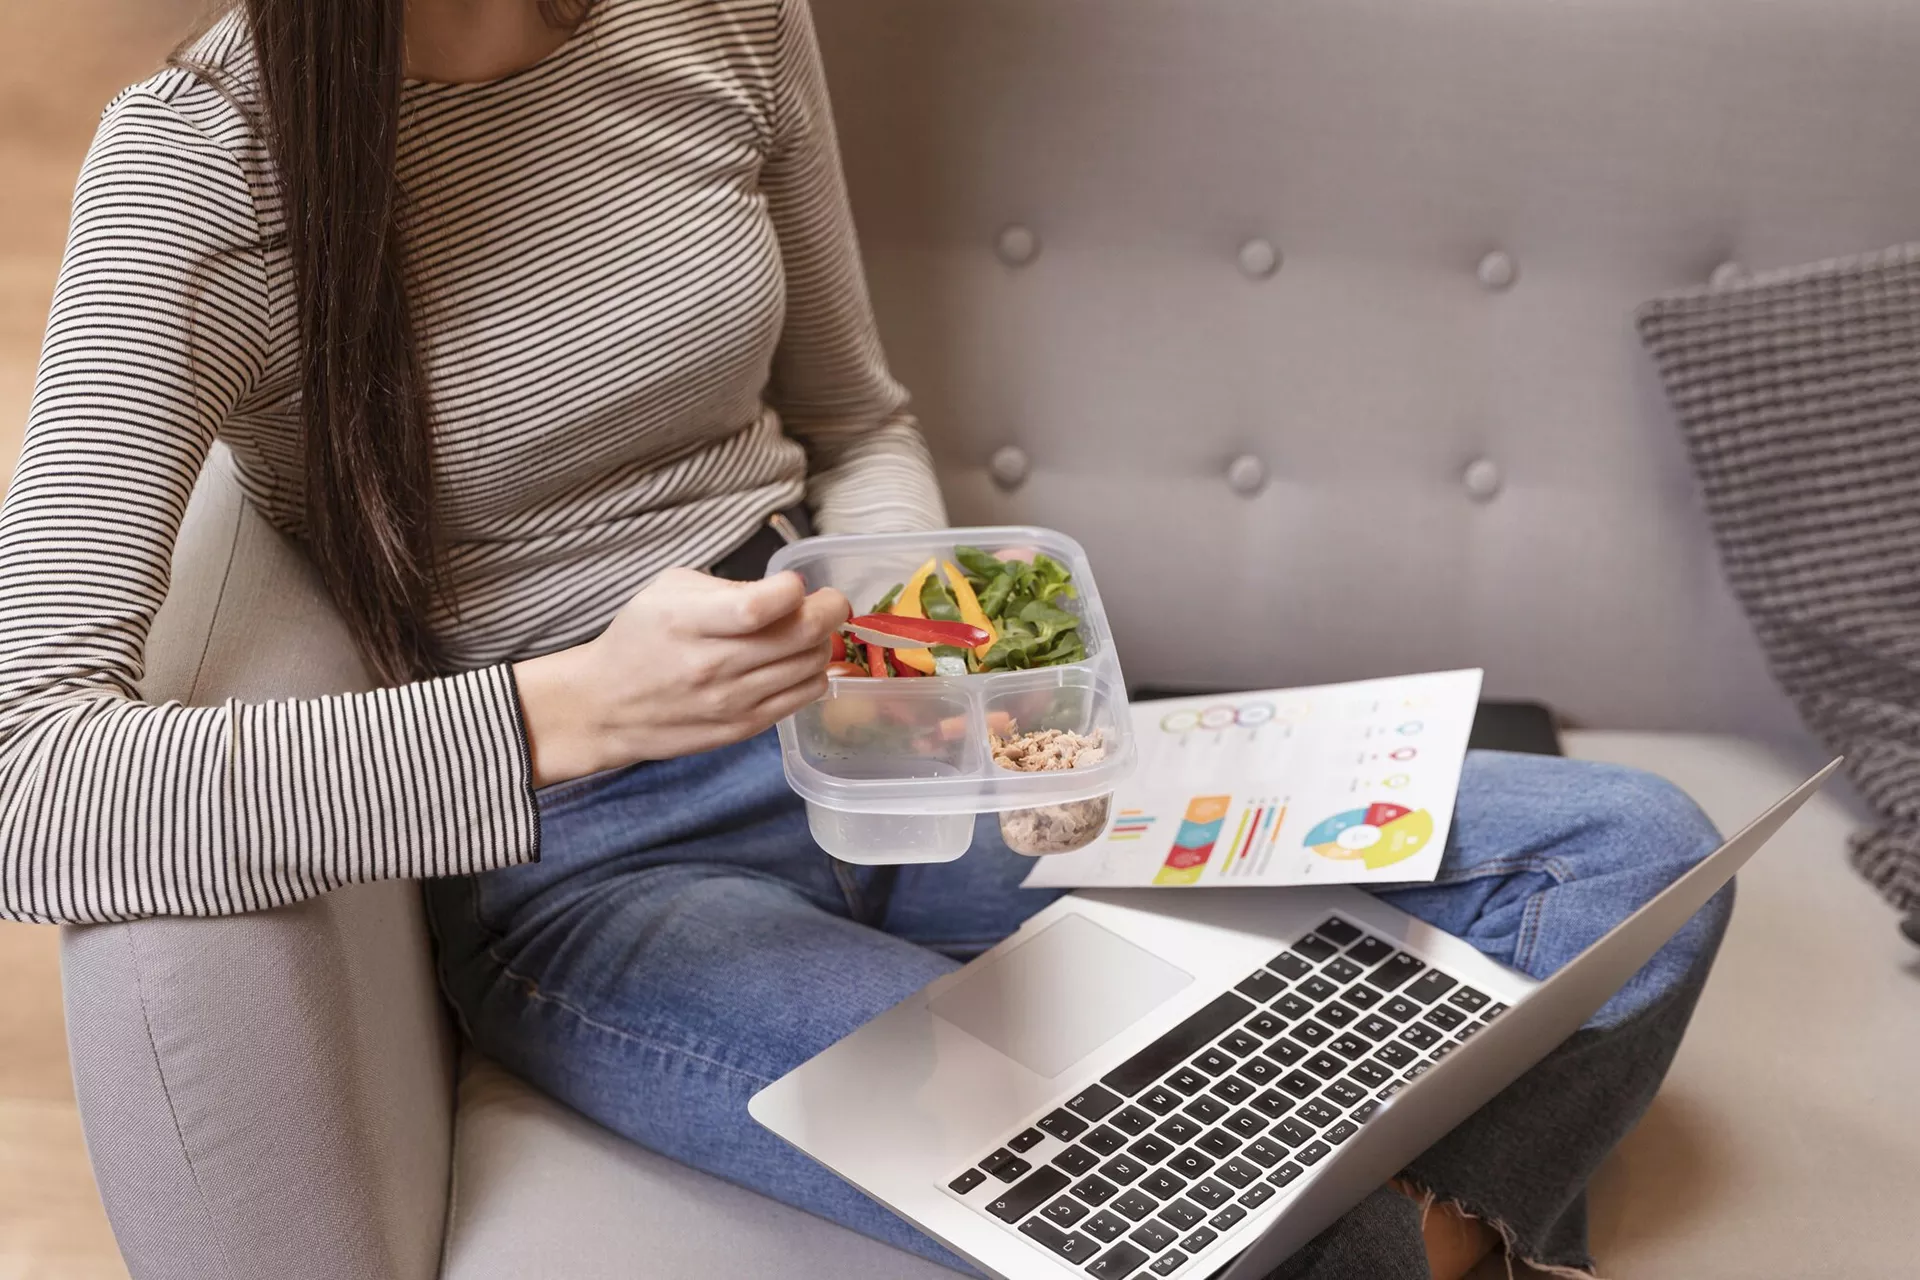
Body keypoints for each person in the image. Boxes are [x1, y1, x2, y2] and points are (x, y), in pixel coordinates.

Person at [0, 1, 1729, 1275]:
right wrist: (561, 714)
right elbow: (32, 782)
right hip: (596, 869)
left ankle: (1443, 1243)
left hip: (901, 719)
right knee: (1221, 1194)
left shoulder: (719, 18)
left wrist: (954, 666)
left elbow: (860, 424)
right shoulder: (200, 173)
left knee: (1637, 858)